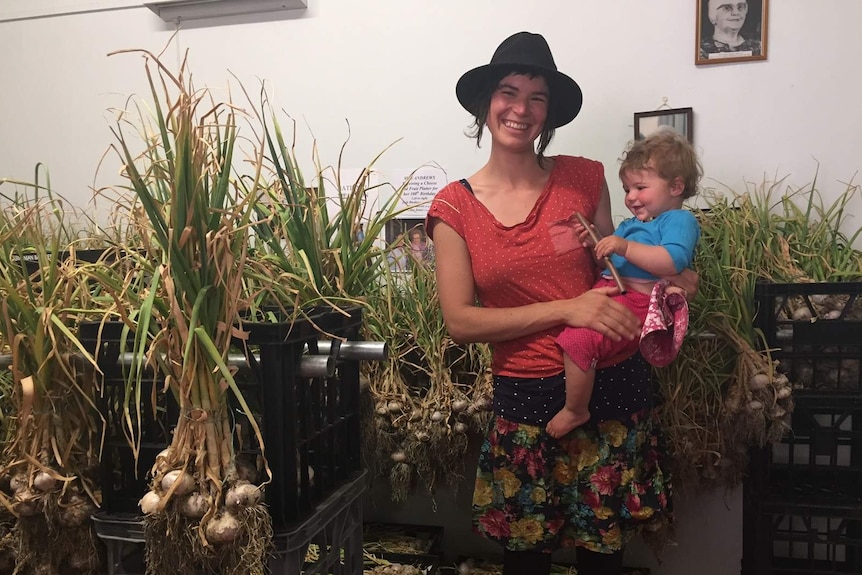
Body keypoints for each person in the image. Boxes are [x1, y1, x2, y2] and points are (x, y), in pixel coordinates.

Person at [425, 31, 696, 575]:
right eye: (508, 92)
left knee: (604, 556)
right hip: (527, 404)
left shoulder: (584, 178)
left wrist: (674, 279)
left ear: (549, 115)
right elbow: (460, 321)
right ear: (486, 104)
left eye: (537, 98)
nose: (520, 109)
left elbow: (615, 269)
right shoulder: (454, 207)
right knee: (525, 558)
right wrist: (567, 310)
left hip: (614, 387)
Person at [547, 130, 702, 438]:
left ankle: (576, 409)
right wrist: (597, 246)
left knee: (579, 341)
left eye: (640, 187)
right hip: (613, 290)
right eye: (627, 188)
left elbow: (673, 262)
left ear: (676, 186)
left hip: (637, 301)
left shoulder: (678, 222)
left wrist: (624, 247)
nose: (630, 197)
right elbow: (615, 264)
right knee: (569, 334)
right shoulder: (632, 225)